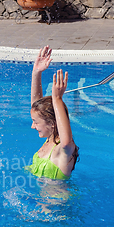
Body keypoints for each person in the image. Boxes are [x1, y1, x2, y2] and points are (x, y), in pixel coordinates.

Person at [26, 46, 79, 180]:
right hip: (39, 199)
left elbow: (66, 141)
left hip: (58, 201)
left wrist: (57, 99)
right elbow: (37, 109)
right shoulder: (49, 139)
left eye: (36, 122)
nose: (33, 126)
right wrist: (36, 73)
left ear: (52, 123)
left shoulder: (62, 150)